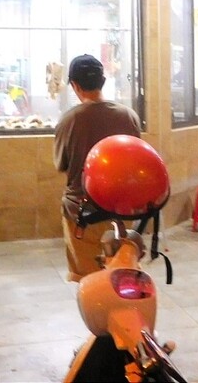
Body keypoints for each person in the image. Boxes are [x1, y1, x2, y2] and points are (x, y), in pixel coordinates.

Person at [54, 54, 141, 283]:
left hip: (82, 213)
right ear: (103, 81)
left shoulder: (69, 120)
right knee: (122, 273)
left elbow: (61, 164)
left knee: (88, 280)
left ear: (75, 85)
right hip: (122, 211)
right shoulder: (129, 116)